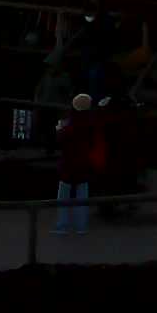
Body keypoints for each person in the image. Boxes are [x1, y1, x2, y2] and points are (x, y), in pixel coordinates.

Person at [54, 94, 102, 237]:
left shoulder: (70, 125)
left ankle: (62, 226)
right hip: (84, 164)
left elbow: (61, 141)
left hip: (68, 165)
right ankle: (81, 226)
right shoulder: (91, 124)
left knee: (63, 197)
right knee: (82, 196)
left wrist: (58, 130)